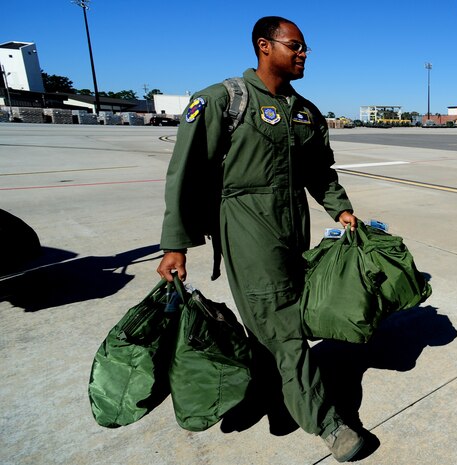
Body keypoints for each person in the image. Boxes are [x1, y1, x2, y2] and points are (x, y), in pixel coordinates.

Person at [157, 16, 365, 462]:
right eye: (295, 46)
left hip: (294, 230)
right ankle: (327, 422)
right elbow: (185, 174)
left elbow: (319, 173)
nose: (303, 53)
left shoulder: (305, 111)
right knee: (284, 324)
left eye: (306, 47)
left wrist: (342, 209)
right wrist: (175, 242)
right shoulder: (220, 100)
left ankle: (269, 394)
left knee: (275, 318)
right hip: (247, 225)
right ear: (264, 46)